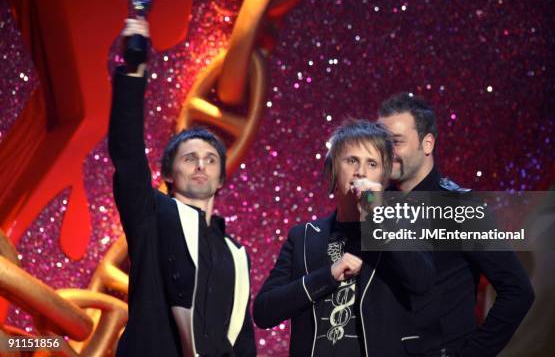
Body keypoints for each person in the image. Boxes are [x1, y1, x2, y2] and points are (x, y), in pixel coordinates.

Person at [108, 18, 256, 357]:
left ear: (221, 179)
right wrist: (133, 72)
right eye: (190, 158)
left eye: (210, 160)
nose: (201, 164)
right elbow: (128, 154)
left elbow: (242, 338)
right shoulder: (153, 216)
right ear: (169, 174)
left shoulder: (235, 253)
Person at [253, 119, 435, 356]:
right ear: (333, 169)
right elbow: (264, 312)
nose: (361, 171)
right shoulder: (304, 237)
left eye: (372, 163)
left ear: (384, 177)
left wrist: (378, 217)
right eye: (351, 161)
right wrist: (328, 275)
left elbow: (422, 283)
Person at [377, 93, 535, 356]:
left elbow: (518, 290)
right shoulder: (376, 206)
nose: (386, 152)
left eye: (396, 142)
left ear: (427, 144)